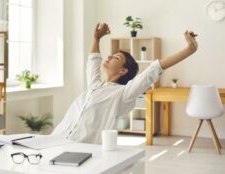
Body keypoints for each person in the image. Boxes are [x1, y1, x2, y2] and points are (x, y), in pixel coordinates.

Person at [51, 23, 198, 144]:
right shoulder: (94, 85)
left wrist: (189, 50)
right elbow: (93, 61)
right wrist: (96, 38)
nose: (109, 56)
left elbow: (154, 69)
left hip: (82, 147)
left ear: (123, 70)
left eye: (116, 57)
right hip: (56, 139)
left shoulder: (123, 93)